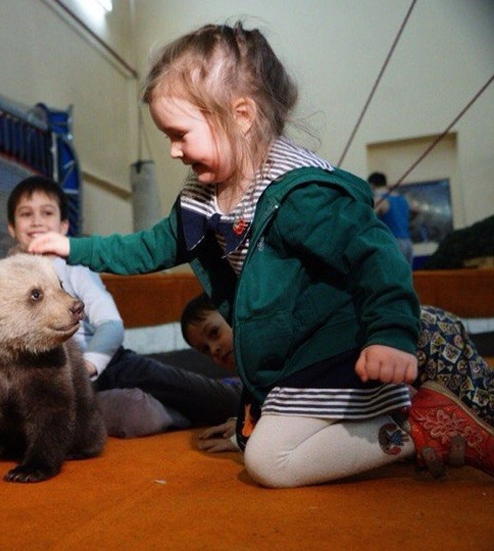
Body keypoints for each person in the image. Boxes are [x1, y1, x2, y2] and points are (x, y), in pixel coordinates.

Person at [28, 22, 494, 486]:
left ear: (242, 115)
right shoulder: (203, 200)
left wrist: (390, 333)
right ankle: (405, 425)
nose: (172, 150)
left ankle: (422, 423)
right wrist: (74, 247)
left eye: (180, 133)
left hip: (336, 349)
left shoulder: (299, 196)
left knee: (270, 463)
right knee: (256, 443)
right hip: (292, 359)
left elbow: (375, 254)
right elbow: (148, 245)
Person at [7, 175, 240, 437]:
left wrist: (90, 363)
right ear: (12, 228)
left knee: (210, 399)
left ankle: (237, 394)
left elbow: (111, 325)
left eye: (46, 213)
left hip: (110, 362)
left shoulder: (74, 267)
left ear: (63, 226)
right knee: (129, 412)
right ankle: (172, 415)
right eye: (26, 214)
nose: (37, 221)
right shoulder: (6, 279)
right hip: (59, 381)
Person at [183, 294, 494, 455]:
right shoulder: (260, 361)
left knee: (482, 416)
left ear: (236, 313)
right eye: (204, 350)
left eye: (214, 332)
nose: (215, 350)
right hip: (405, 349)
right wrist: (246, 425)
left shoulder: (269, 343)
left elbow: (304, 405)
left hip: (420, 337)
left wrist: (245, 437)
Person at [368, 171, 413, 266]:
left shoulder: (380, 200)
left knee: (392, 277)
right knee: (406, 278)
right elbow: (415, 213)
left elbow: (368, 218)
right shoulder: (402, 199)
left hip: (393, 243)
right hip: (407, 242)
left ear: (372, 185)